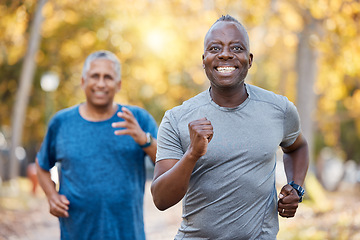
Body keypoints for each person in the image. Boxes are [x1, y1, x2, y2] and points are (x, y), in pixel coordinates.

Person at [151, 15, 309, 239]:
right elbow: (160, 199)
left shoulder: (279, 109)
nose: (225, 54)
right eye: (215, 48)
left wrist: (296, 187)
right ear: (204, 58)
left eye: (236, 47)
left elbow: (297, 147)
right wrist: (192, 154)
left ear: (249, 59)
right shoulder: (177, 119)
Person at [36, 50, 158, 240]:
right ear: (83, 81)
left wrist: (144, 139)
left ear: (118, 84)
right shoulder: (61, 122)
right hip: (76, 233)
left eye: (108, 77)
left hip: (127, 234)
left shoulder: (138, 118)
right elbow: (42, 165)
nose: (101, 83)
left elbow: (167, 162)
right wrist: (52, 196)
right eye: (95, 76)